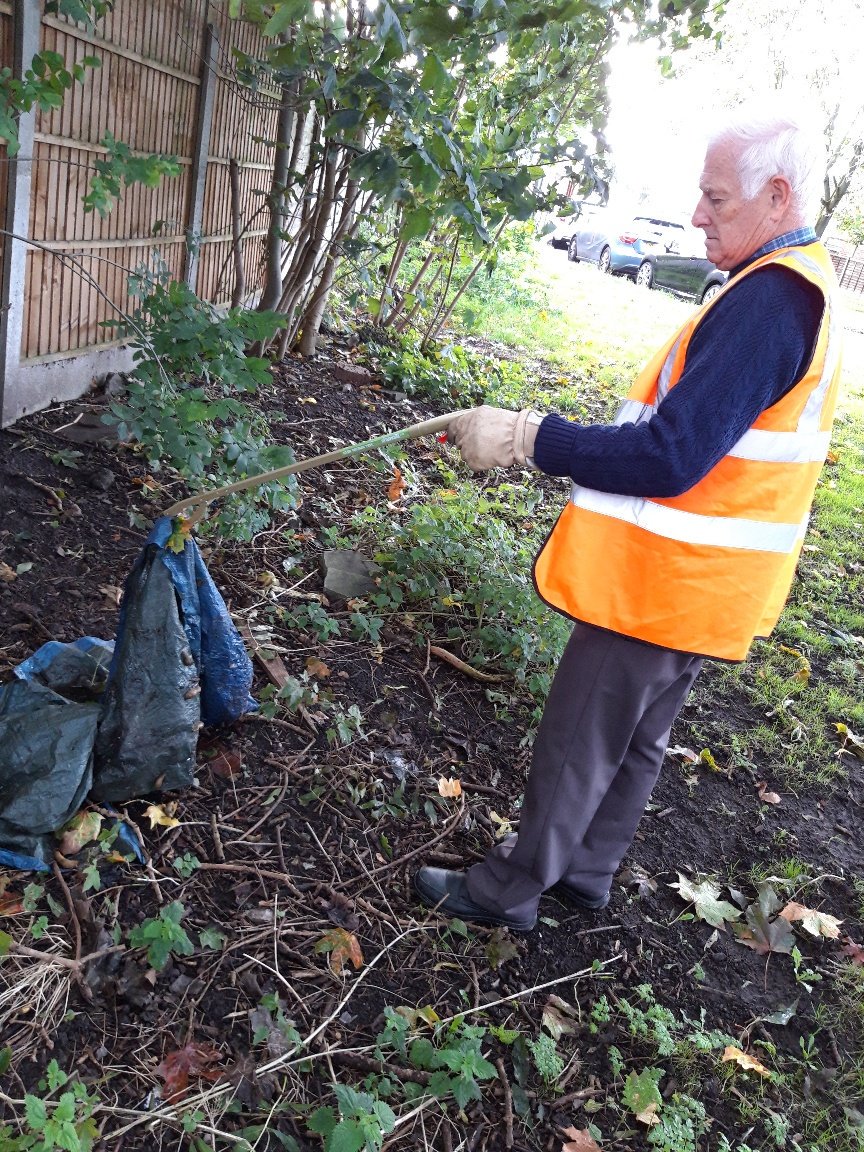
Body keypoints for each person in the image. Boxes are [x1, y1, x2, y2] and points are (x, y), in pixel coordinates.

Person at [413, 107, 843, 933]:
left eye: (716, 198)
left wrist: (531, 437)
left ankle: (509, 892)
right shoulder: (799, 286)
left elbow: (673, 455)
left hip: (665, 582)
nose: (697, 215)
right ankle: (584, 873)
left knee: (583, 732)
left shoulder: (771, 302)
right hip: (708, 588)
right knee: (637, 738)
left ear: (777, 195)